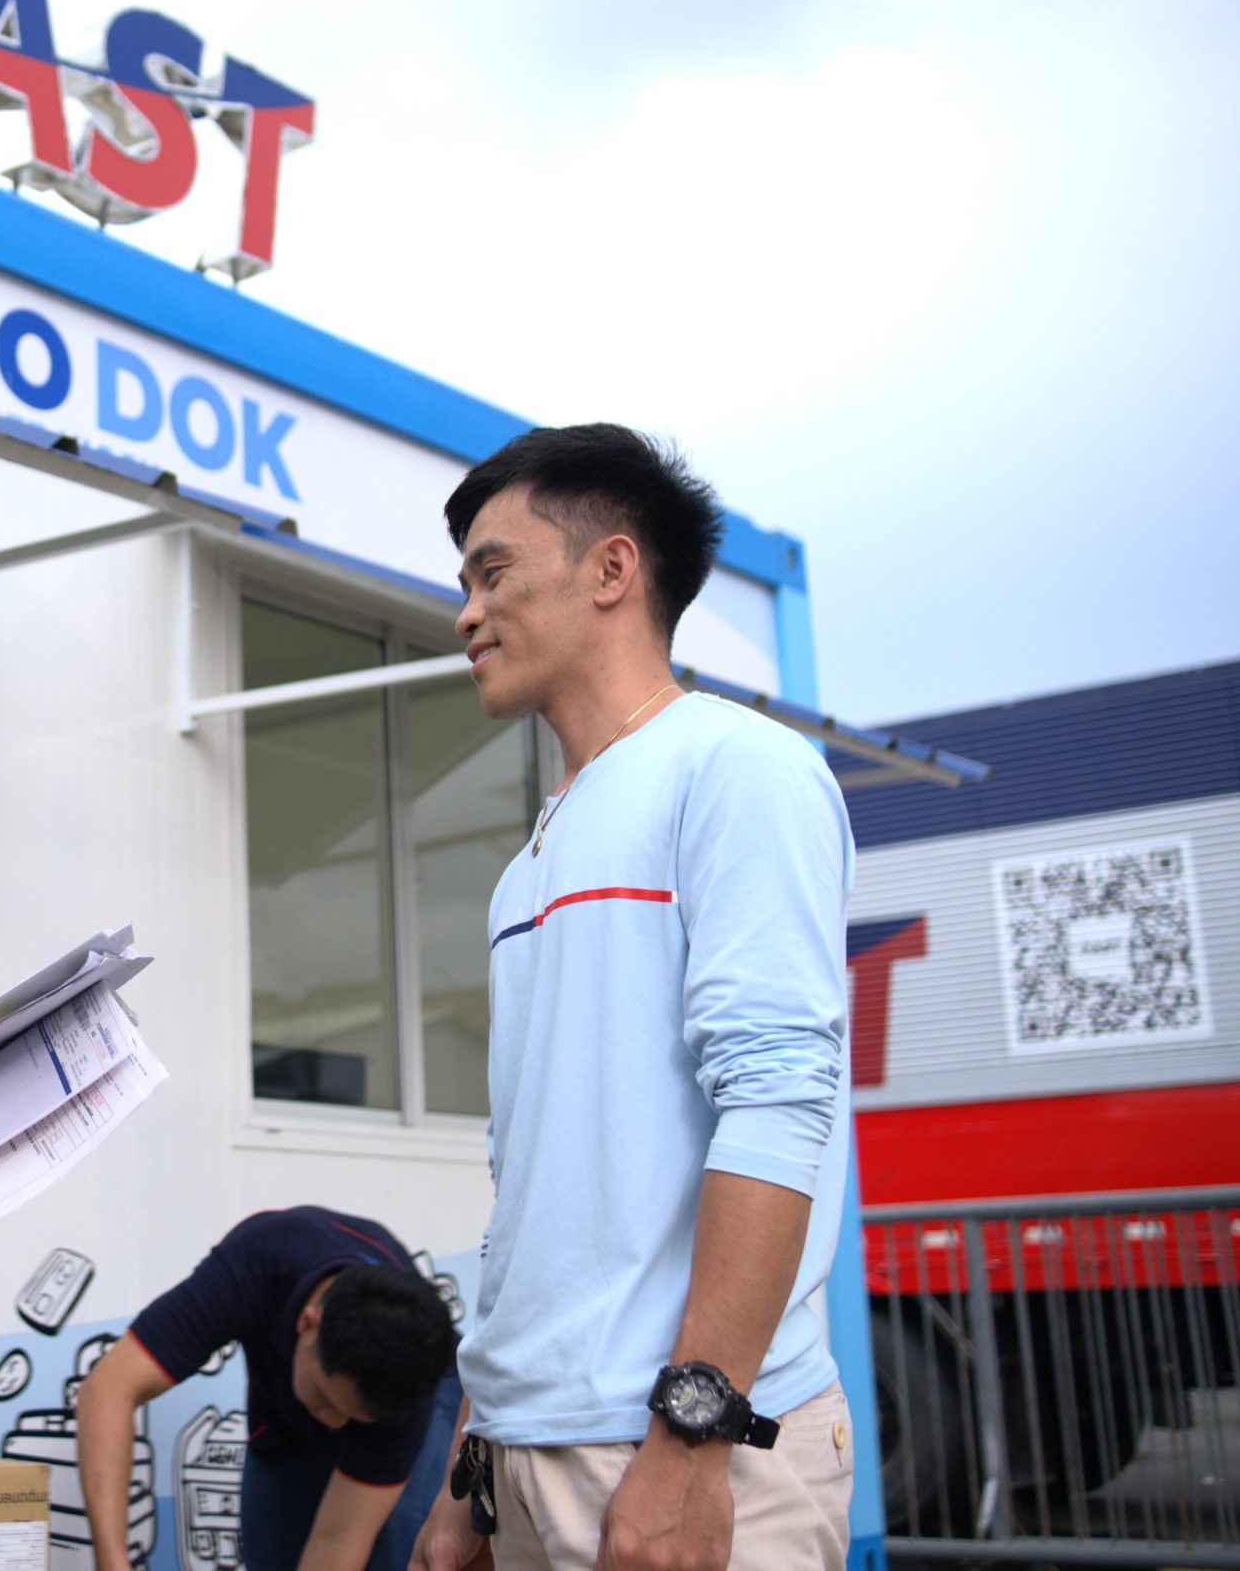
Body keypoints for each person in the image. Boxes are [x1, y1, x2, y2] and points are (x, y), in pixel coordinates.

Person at [408, 425, 857, 1571]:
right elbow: (528, 1197)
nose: (465, 612)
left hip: (675, 1449)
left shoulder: (735, 765)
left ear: (611, 570)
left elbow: (775, 1105)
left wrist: (694, 1440)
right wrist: (472, 1467)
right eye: (462, 581)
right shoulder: (533, 860)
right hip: (532, 1451)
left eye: (493, 572)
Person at [76, 1206, 463, 1571]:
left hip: (411, 1402)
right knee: (272, 1552)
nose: (334, 1424)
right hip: (285, 1412)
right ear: (307, 1323)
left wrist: (339, 1404)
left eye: (349, 1416)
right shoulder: (255, 1267)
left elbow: (338, 1540)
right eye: (327, 1401)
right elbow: (107, 1390)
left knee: (395, 1550)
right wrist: (113, 1563)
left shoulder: (407, 1384)